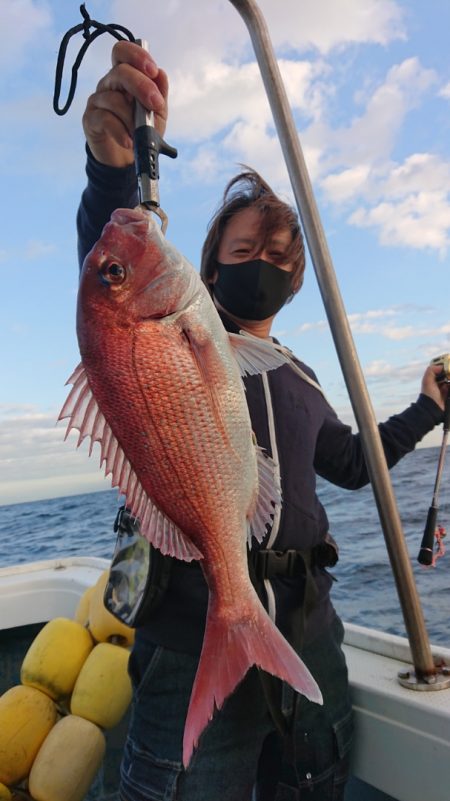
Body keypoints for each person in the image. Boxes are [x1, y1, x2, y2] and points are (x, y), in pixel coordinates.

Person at [77, 41, 448, 801]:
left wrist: (430, 408)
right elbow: (111, 285)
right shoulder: (184, 327)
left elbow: (354, 465)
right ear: (207, 268)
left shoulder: (301, 377)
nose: (265, 262)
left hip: (310, 628)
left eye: (280, 255)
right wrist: (113, 164)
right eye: (245, 249)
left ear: (296, 282)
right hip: (190, 632)